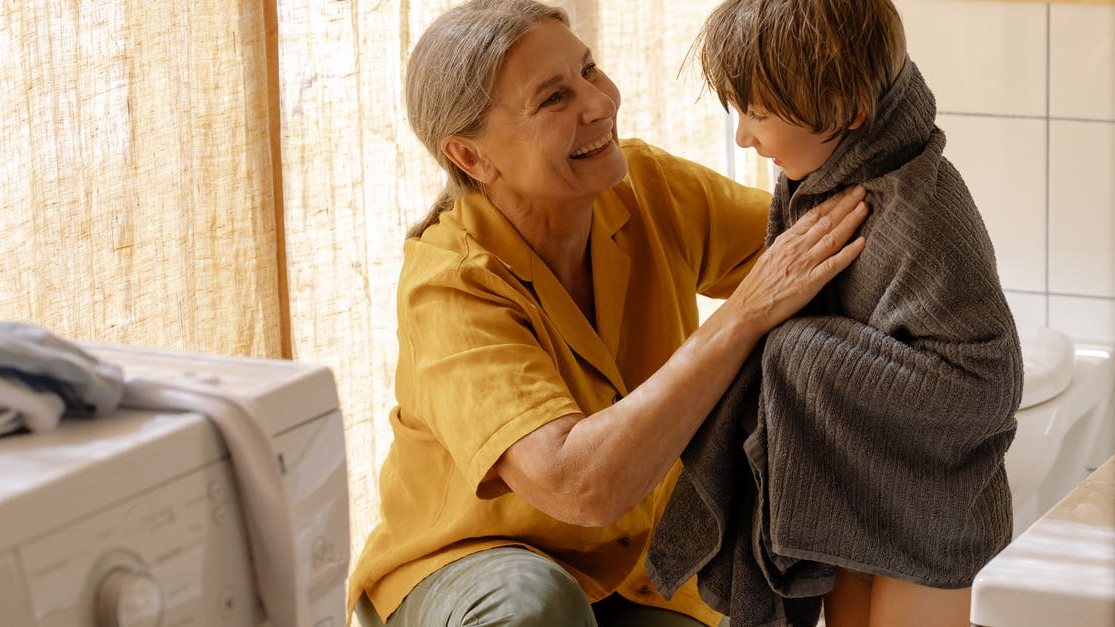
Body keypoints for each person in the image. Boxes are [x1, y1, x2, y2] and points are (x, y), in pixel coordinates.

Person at [347, 1, 870, 625]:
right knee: (533, 607)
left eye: (589, 70)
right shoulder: (451, 286)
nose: (599, 103)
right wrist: (744, 316)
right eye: (553, 99)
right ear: (471, 158)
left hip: (634, 571)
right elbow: (574, 483)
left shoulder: (647, 187)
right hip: (469, 567)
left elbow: (822, 245)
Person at [644, 1, 1023, 626]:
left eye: (756, 113)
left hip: (936, 519)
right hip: (855, 490)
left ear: (847, 112)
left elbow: (990, 385)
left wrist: (802, 352)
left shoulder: (921, 211)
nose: (743, 135)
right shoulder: (817, 180)